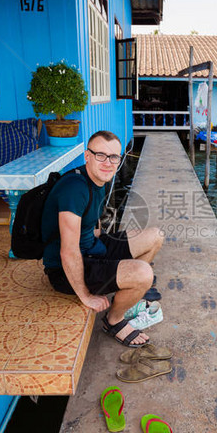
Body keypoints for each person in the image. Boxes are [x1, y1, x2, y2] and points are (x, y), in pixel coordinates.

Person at [41, 130, 164, 347]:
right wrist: (86, 296)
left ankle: (128, 293)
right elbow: (68, 251)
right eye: (100, 155)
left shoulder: (100, 179)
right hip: (64, 269)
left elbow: (93, 223)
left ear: (120, 159)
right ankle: (113, 320)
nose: (108, 162)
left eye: (114, 157)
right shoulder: (74, 189)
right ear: (87, 156)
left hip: (93, 248)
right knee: (144, 273)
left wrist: (108, 245)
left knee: (155, 236)